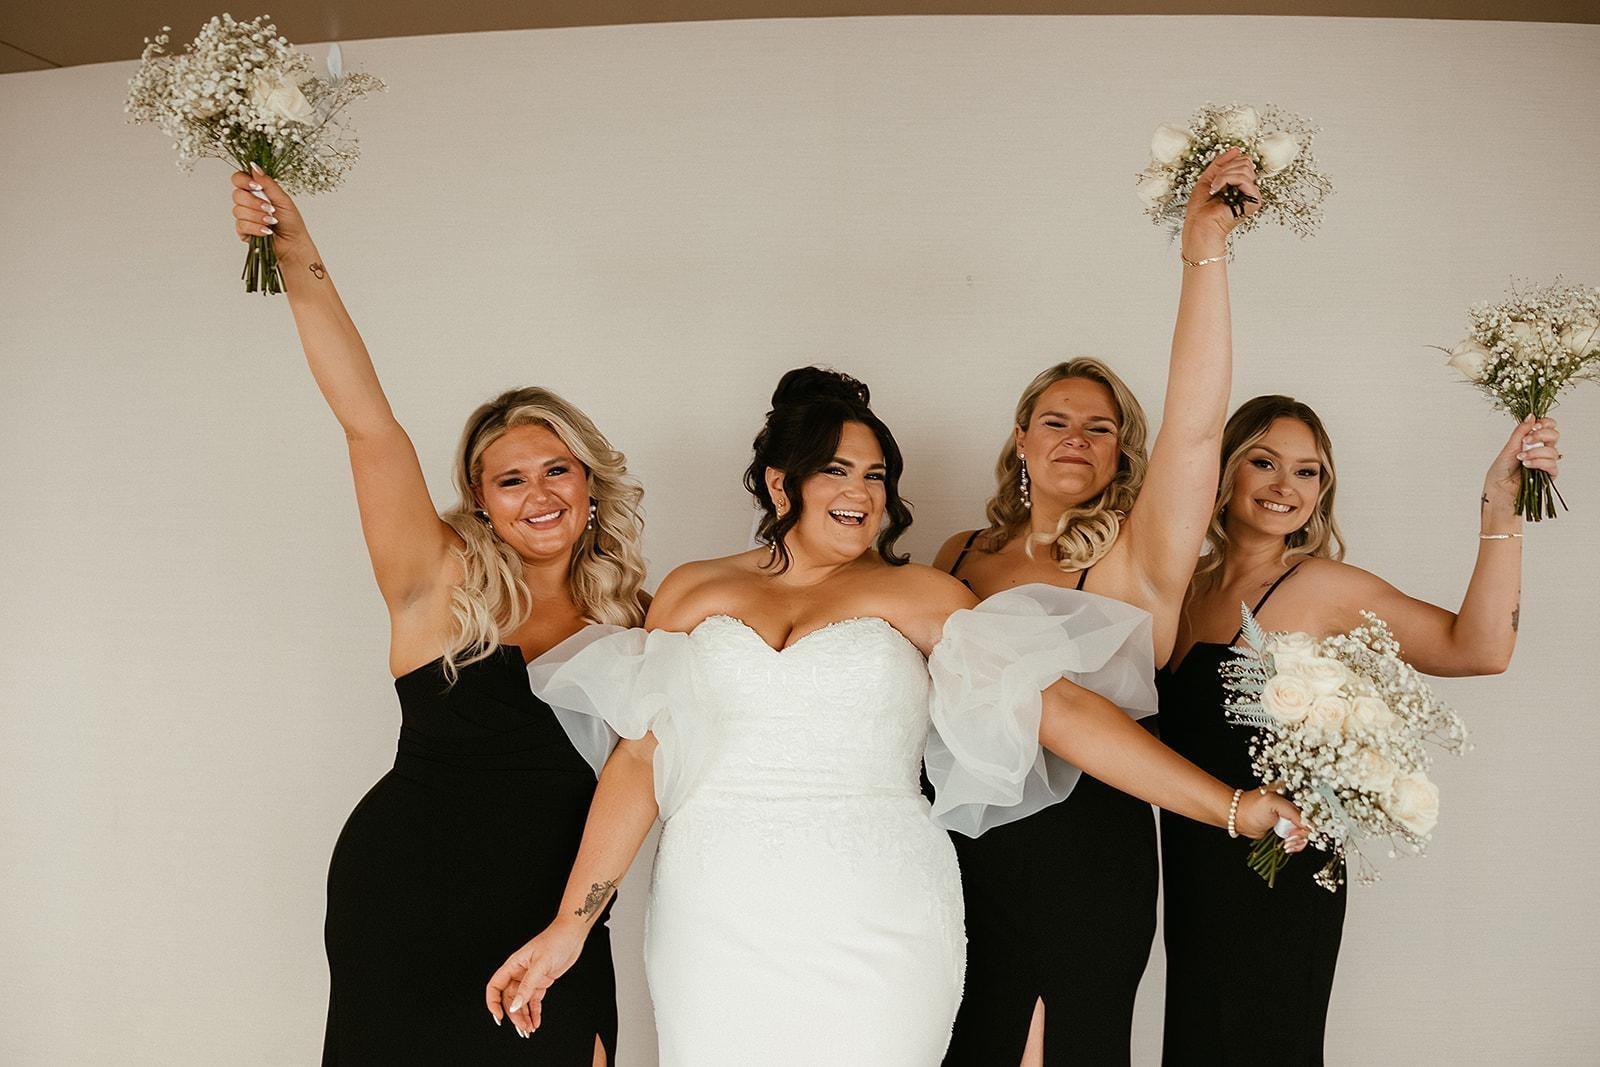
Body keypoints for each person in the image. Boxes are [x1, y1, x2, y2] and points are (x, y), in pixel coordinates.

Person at [485, 367, 1305, 1066]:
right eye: (837, 470)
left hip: (880, 905)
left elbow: (1061, 710)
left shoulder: (923, 594)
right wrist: (570, 926)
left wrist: (1229, 806)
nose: (861, 492)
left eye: (876, 476)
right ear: (780, 483)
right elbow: (639, 760)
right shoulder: (693, 590)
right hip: (714, 911)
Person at [228, 166, 646, 1063]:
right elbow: (369, 425)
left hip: (556, 914)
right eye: (510, 479)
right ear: (481, 500)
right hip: (408, 897)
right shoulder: (438, 577)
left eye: (557, 470)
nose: (539, 494)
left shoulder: (639, 620)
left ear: (590, 483)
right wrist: (297, 254)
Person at [930, 148, 1260, 1064]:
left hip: (1081, 856)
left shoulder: (1138, 557)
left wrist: (1203, 251)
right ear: (1021, 440)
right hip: (955, 856)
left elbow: (1198, 423)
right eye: (1056, 420)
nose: (1075, 437)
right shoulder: (959, 555)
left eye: (1099, 426)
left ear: (1122, 450)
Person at [1156, 394, 1562, 1064]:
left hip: (1280, 871)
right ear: (1225, 468)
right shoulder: (1181, 585)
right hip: (1192, 870)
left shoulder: (1320, 585)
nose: (1286, 485)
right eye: (1264, 462)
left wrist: (1501, 507)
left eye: (1307, 471)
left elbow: (1480, 648)